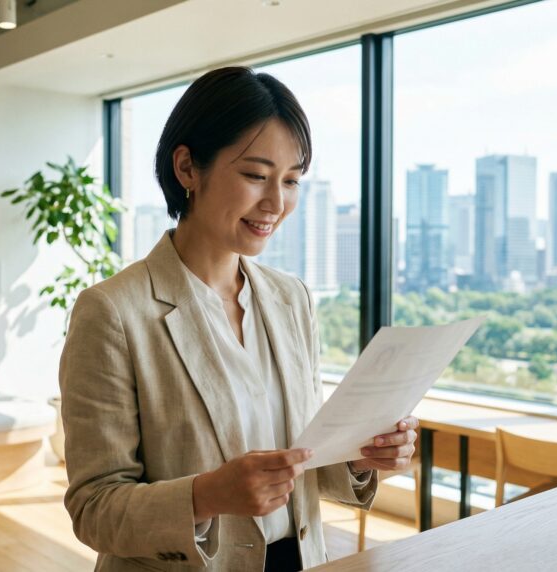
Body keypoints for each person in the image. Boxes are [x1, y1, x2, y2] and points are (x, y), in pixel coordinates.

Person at [59, 66, 417, 571]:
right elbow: (93, 508)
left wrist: (360, 456)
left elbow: (300, 459)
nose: (276, 203)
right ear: (187, 168)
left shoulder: (291, 299)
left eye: (291, 180)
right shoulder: (113, 312)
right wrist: (205, 495)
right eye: (255, 175)